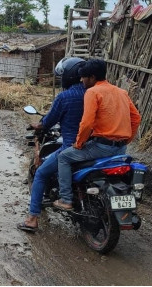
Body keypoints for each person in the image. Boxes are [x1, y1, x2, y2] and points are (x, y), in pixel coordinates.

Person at [54, 59, 142, 211]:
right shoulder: (121, 92)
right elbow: (136, 118)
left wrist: (79, 143)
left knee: (63, 157)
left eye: (84, 77)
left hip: (100, 146)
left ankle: (66, 199)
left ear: (92, 77)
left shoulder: (92, 92)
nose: (81, 80)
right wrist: (127, 140)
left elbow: (87, 123)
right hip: (120, 150)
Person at [17, 57, 86, 233]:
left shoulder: (65, 96)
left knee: (40, 173)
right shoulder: (94, 93)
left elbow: (47, 121)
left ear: (68, 76)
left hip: (72, 146)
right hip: (96, 146)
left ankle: (32, 219)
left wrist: (37, 125)